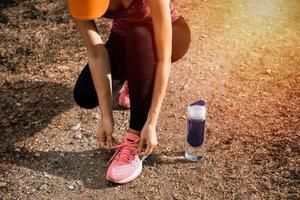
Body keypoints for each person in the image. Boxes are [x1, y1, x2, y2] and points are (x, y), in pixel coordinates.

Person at [66, 0, 190, 183]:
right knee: (85, 94)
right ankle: (136, 77)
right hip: (124, 38)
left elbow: (164, 59)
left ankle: (135, 138)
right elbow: (96, 54)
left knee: (138, 34)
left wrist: (151, 122)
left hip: (171, 33)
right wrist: (106, 117)